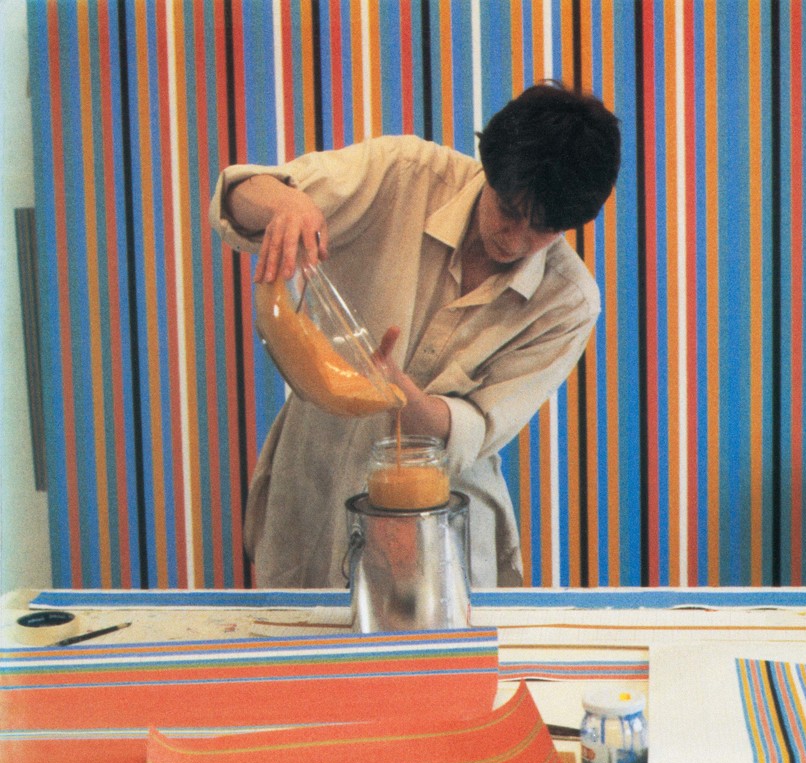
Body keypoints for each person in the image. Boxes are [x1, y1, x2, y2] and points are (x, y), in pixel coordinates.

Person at [209, 81, 621, 588]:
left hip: (444, 519)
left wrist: (395, 392)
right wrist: (286, 206)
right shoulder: (405, 173)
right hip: (316, 479)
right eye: (509, 210)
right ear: (488, 169)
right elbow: (239, 192)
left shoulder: (568, 301)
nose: (515, 239)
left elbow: (475, 428)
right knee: (303, 652)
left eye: (543, 229)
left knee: (437, 655)